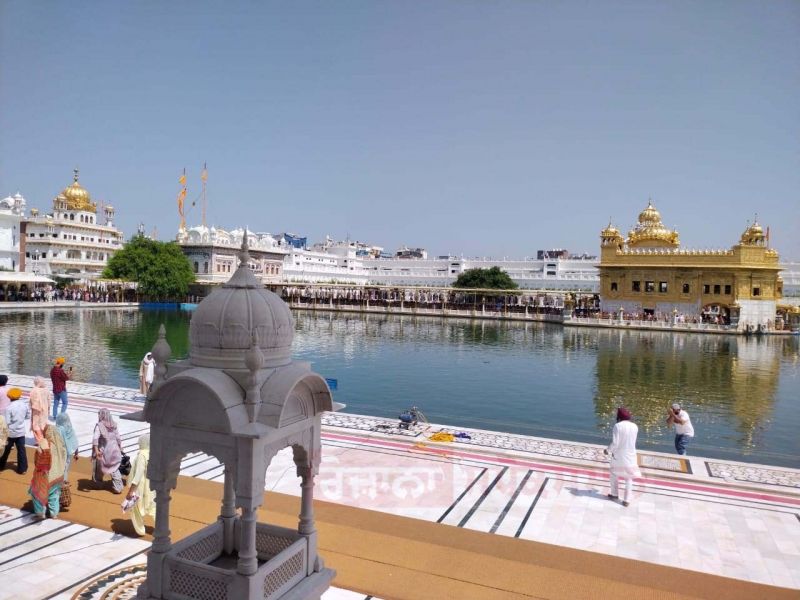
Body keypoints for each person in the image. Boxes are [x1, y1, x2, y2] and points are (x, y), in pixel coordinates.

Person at [29, 424, 67, 519]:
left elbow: (38, 456)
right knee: (54, 495)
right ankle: (54, 513)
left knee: (37, 492)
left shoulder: (44, 443)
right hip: (58, 476)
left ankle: (40, 512)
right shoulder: (60, 445)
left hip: (45, 475)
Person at [605, 407, 641, 507]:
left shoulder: (618, 426)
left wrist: (607, 450)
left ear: (619, 416)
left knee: (613, 474)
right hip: (631, 455)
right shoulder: (635, 426)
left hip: (619, 456)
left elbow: (615, 443)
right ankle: (626, 500)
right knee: (629, 478)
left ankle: (614, 494)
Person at [124, 434, 155, 536]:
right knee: (154, 508)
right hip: (152, 486)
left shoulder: (141, 455)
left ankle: (140, 530)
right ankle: (161, 529)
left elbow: (138, 475)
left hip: (140, 488)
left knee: (135, 508)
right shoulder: (153, 453)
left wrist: (130, 491)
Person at [92, 408, 124, 493]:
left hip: (105, 451)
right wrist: (120, 448)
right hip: (115, 451)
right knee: (115, 468)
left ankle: (98, 484)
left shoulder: (99, 425)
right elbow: (118, 437)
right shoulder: (113, 424)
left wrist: (96, 451)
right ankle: (118, 487)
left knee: (100, 468)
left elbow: (95, 439)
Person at [0, 388, 30, 474]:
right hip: (21, 432)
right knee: (21, 450)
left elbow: (7, 422)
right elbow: (27, 417)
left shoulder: (9, 408)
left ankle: (1, 465)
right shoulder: (24, 405)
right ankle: (22, 469)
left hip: (10, 433)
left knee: (6, 450)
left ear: (9, 397)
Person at [56, 413, 79, 482]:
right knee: (65, 467)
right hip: (68, 453)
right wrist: (76, 453)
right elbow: (74, 441)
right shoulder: (70, 429)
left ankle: (58, 483)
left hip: (59, 453)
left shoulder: (58, 430)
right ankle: (64, 481)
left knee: (58, 467)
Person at [29, 376, 51, 442]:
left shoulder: (34, 390)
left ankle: (40, 440)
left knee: (36, 425)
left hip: (36, 410)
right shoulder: (46, 390)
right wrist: (48, 409)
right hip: (45, 409)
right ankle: (43, 439)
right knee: (43, 424)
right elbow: (49, 401)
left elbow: (31, 401)